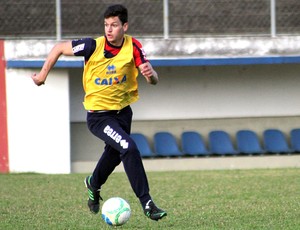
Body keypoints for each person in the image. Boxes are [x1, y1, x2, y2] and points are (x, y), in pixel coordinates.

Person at [31, 4, 167, 221]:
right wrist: (42, 76)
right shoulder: (91, 45)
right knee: (128, 147)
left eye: (114, 25)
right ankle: (148, 203)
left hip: (123, 114)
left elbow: (153, 80)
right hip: (99, 116)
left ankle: (93, 183)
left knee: (114, 156)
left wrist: (151, 75)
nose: (109, 29)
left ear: (125, 26)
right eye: (106, 25)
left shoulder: (133, 47)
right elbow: (58, 48)